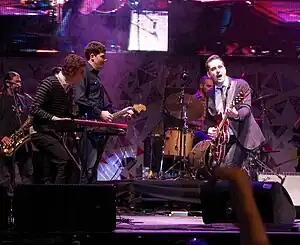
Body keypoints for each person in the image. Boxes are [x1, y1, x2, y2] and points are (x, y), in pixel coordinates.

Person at [73, 41, 133, 183]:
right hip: (86, 128)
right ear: (92, 56)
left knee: (92, 169)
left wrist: (120, 113)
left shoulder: (96, 77)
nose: (105, 60)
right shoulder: (82, 73)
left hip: (96, 128)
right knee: (86, 168)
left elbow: (102, 105)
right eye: (102, 56)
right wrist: (99, 113)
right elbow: (79, 98)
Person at [30, 54, 86, 184]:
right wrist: (53, 118)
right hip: (41, 132)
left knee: (71, 166)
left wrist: (81, 121)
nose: (82, 76)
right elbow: (34, 108)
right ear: (72, 71)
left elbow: (66, 114)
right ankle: (58, 199)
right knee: (64, 161)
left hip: (53, 133)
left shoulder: (68, 89)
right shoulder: (50, 83)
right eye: (81, 72)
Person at [205, 54, 265, 168]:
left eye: (220, 67)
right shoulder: (210, 94)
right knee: (212, 169)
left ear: (225, 68)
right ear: (209, 74)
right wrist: (210, 129)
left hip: (242, 137)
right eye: (213, 69)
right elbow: (209, 118)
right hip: (223, 140)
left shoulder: (240, 85)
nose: (218, 71)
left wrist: (236, 114)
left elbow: (246, 108)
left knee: (226, 169)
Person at [0, 71, 33, 193]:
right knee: (8, 178)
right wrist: (1, 136)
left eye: (20, 81)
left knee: (27, 176)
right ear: (8, 83)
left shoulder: (23, 99)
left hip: (22, 143)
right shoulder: (1, 99)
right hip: (6, 144)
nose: (20, 84)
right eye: (16, 82)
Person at [188, 76, 213, 145]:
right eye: (208, 86)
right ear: (201, 86)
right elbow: (185, 119)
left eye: (212, 87)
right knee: (210, 141)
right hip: (194, 131)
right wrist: (197, 123)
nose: (210, 89)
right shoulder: (193, 99)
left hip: (206, 130)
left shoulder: (210, 100)